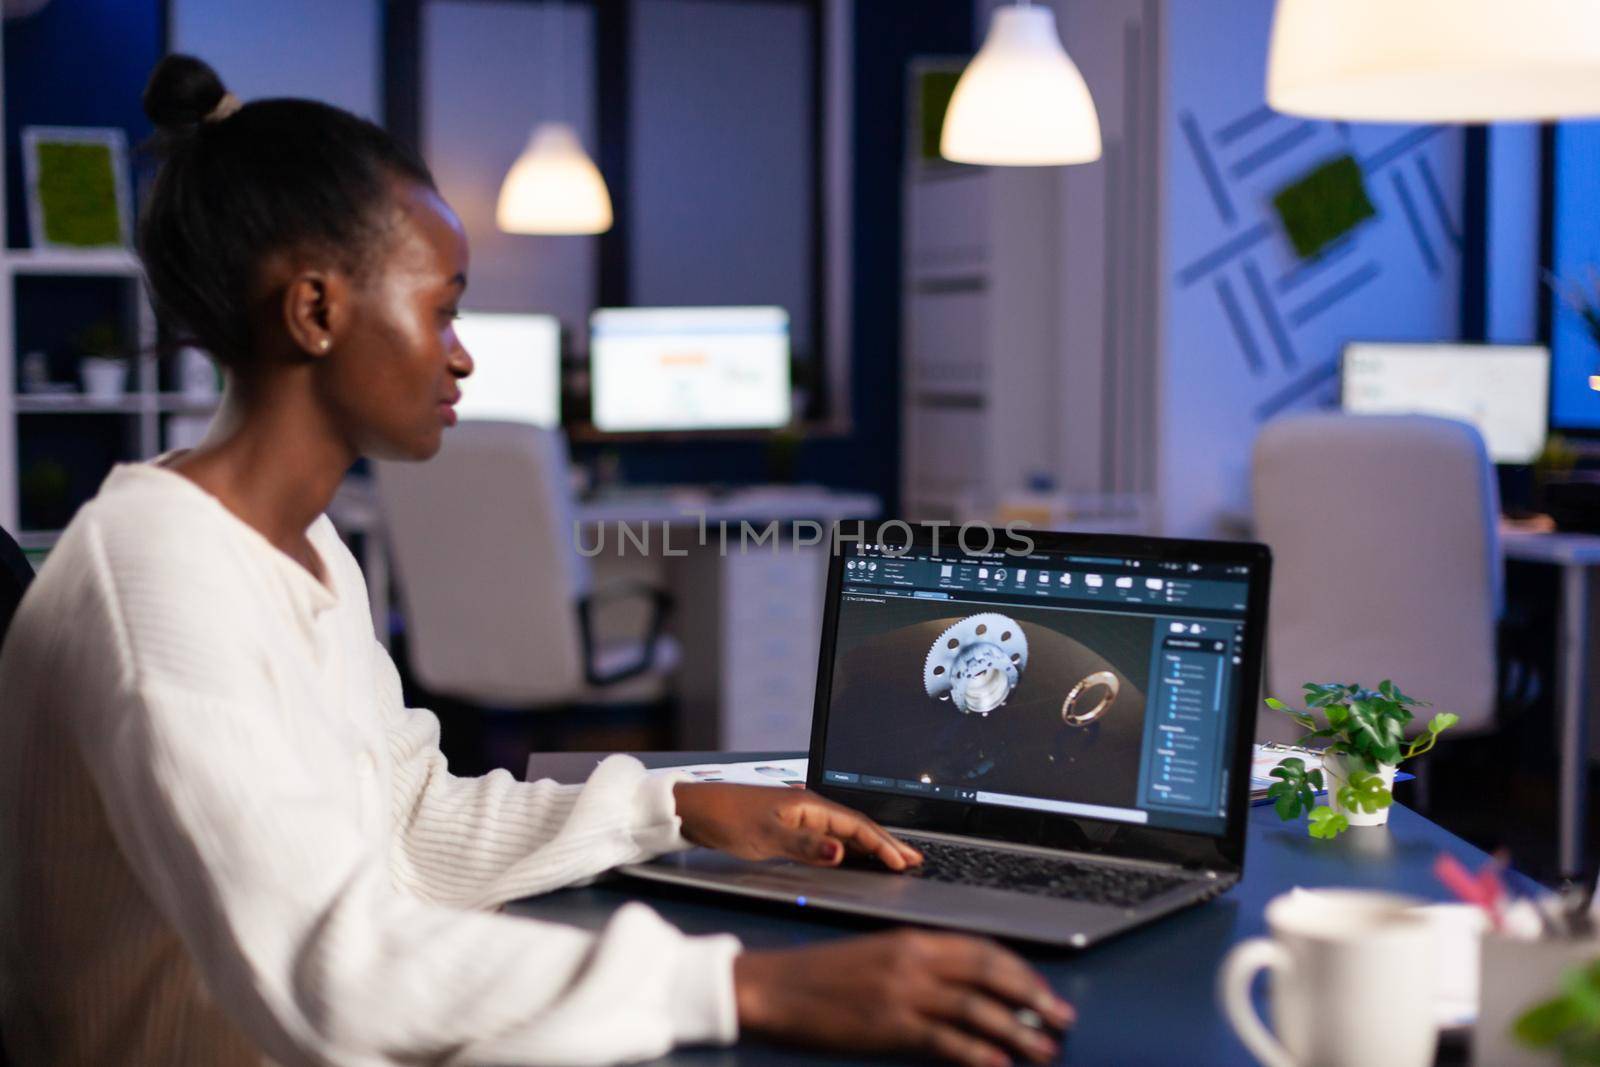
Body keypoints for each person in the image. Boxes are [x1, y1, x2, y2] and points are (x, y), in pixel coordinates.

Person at [0, 54, 1074, 1067]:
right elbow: (336, 966)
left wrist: (679, 805)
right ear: (317, 309)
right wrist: (747, 986)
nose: (463, 352)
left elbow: (408, 822)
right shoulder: (158, 574)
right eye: (443, 308)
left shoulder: (308, 547)